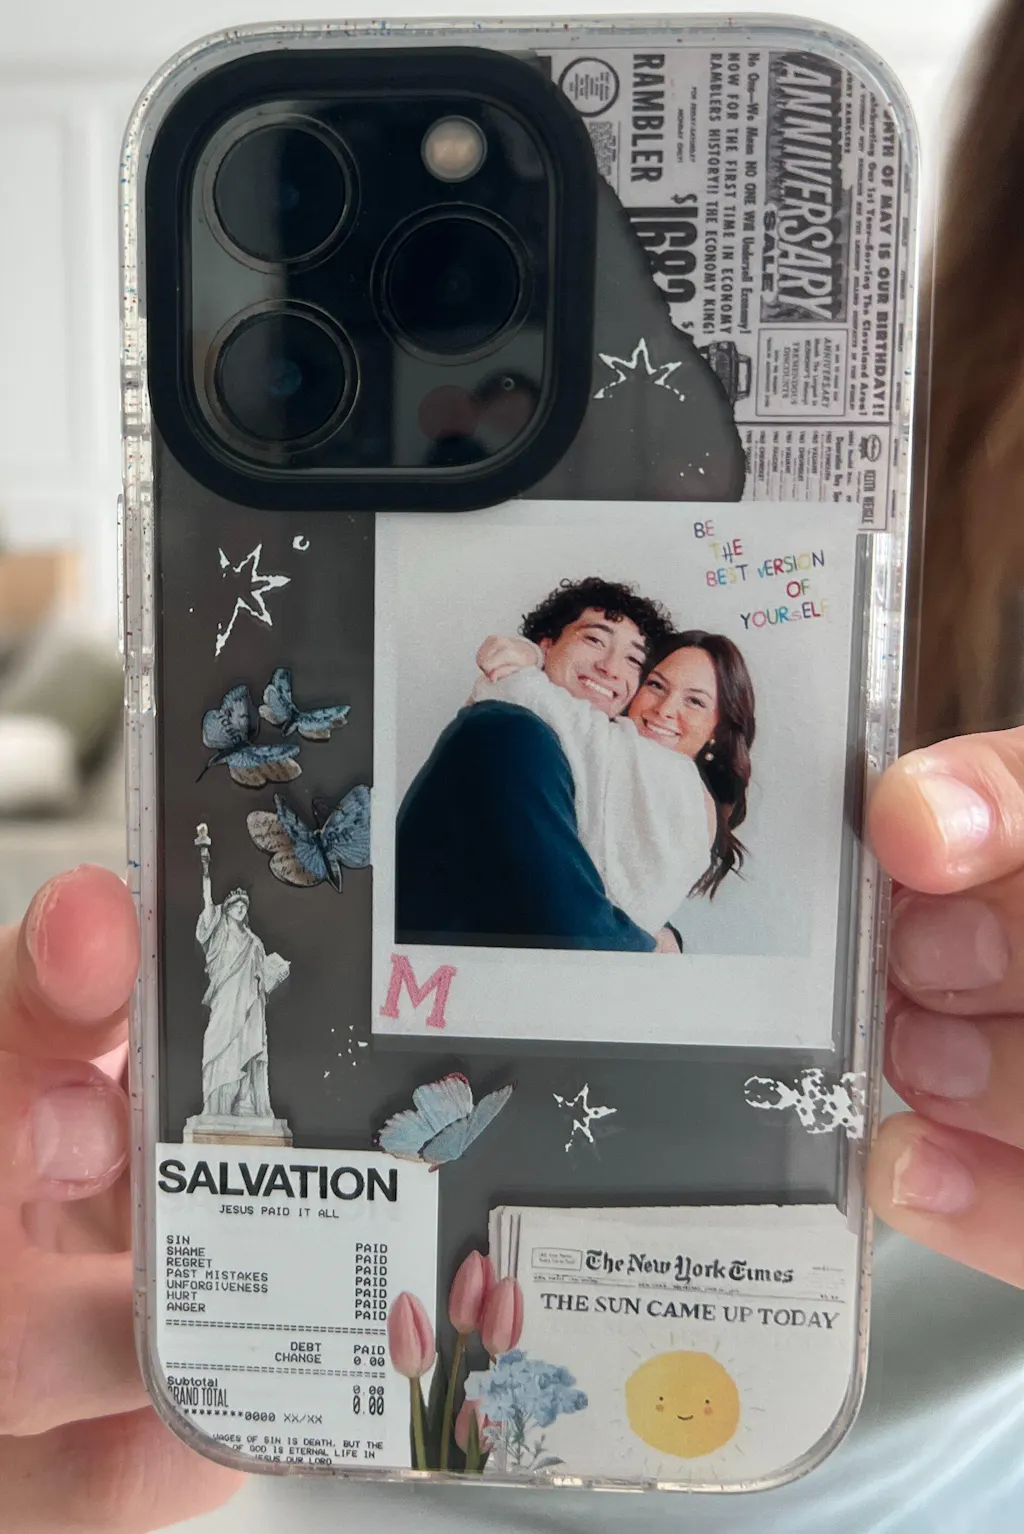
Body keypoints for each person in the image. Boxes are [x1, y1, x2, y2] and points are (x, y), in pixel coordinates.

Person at [395, 577, 676, 952]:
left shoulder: (578, 764)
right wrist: (653, 946)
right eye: (594, 639)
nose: (611, 668)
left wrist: (666, 932)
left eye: (633, 660)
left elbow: (581, 882)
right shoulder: (510, 732)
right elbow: (574, 929)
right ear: (545, 646)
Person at [471, 627, 755, 938]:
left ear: (719, 728)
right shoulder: (700, 807)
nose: (664, 709)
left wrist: (535, 654)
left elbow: (507, 684)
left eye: (695, 702)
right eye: (656, 685)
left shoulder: (631, 756)